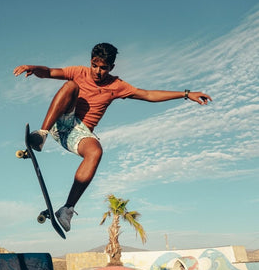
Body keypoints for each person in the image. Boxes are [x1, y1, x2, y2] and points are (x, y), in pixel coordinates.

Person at [13, 43, 212, 232]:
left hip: (80, 133)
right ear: (90, 61)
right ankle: (42, 135)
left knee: (96, 151)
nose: (98, 72)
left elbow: (148, 94)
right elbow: (49, 72)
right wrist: (34, 68)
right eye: (95, 66)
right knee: (71, 86)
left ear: (111, 67)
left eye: (103, 68)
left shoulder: (117, 85)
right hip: (62, 120)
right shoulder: (79, 72)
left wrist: (186, 94)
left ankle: (67, 209)